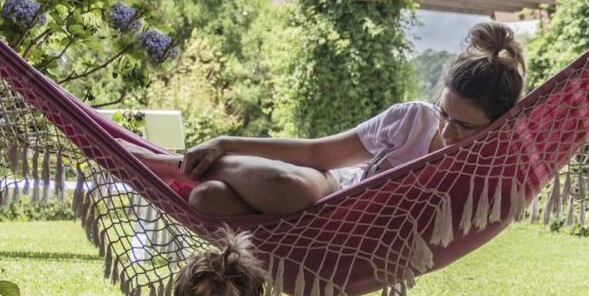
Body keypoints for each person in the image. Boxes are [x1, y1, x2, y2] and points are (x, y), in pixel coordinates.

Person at [124, 22, 526, 216]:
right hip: (334, 193)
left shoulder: (491, 171)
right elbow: (318, 153)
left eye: (464, 125)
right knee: (289, 185)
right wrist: (225, 143)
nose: (446, 130)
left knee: (207, 199)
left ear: (499, 123)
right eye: (444, 112)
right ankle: (163, 164)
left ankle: (165, 167)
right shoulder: (414, 121)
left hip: (349, 230)